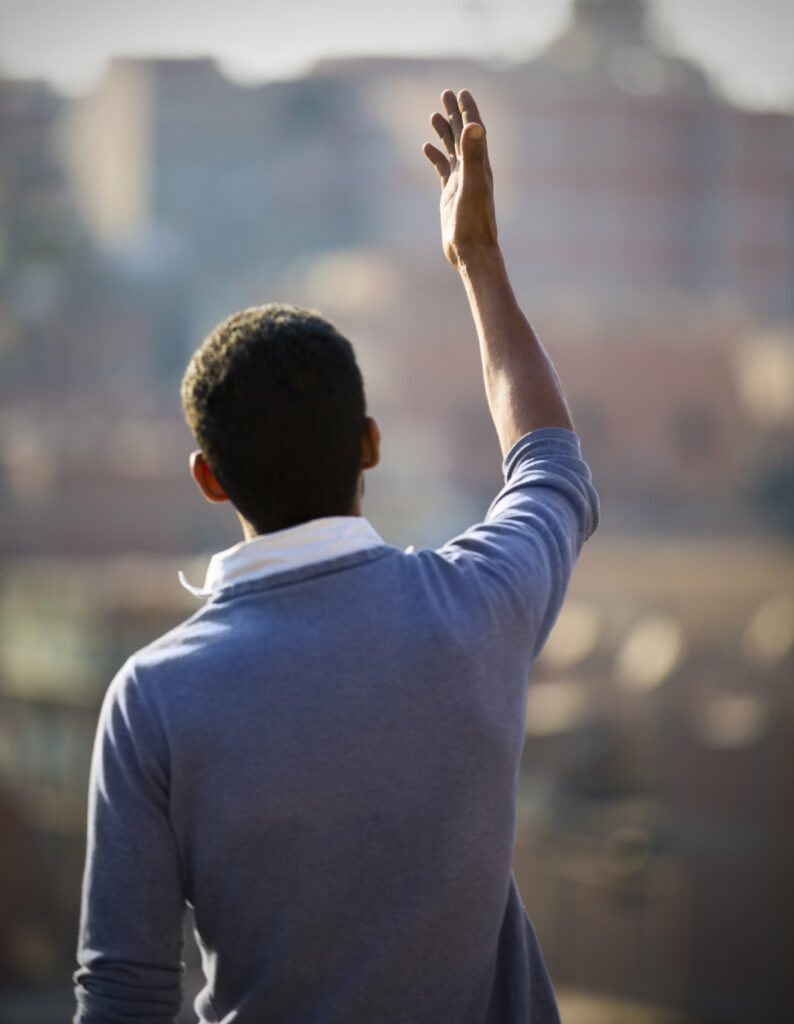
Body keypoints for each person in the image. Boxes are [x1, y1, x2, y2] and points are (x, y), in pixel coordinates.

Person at [73, 89, 598, 1024]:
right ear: (369, 443)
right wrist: (478, 258)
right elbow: (550, 461)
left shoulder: (153, 699)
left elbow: (122, 995)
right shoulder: (480, 608)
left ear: (209, 478)